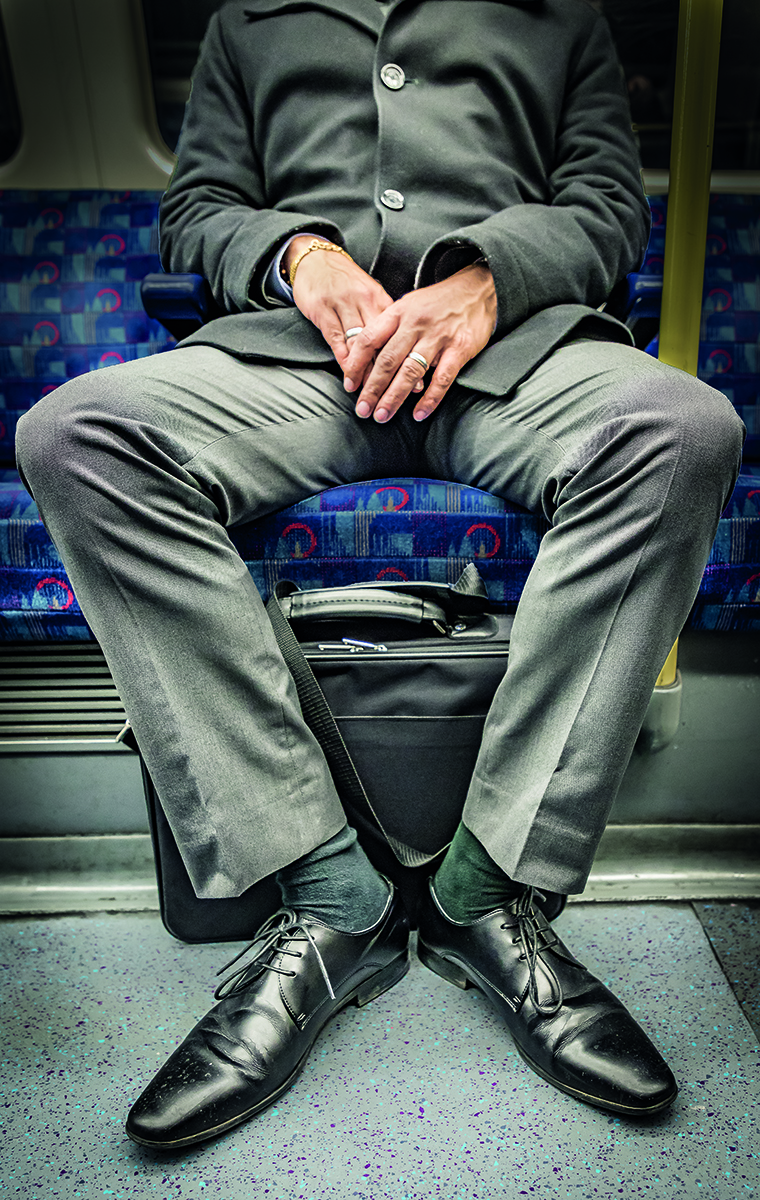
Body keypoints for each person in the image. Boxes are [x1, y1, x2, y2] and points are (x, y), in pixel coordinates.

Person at [15, 0, 744, 1149]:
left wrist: (486, 278)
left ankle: (484, 891)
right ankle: (326, 892)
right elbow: (196, 209)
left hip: (509, 357)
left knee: (682, 430)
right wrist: (299, 256)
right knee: (77, 436)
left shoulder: (563, 19)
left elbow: (607, 211)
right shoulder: (246, 21)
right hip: (302, 363)